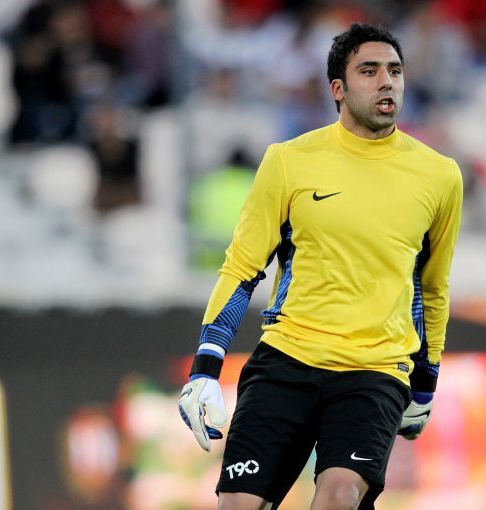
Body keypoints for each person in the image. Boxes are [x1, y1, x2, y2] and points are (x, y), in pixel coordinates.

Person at [178, 23, 463, 510]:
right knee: (238, 505)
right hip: (287, 359)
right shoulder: (289, 161)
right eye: (369, 71)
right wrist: (205, 367)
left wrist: (426, 382)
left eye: (394, 71)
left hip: (374, 370)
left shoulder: (440, 176)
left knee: (338, 495)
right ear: (338, 89)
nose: (386, 82)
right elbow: (242, 268)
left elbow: (432, 287)